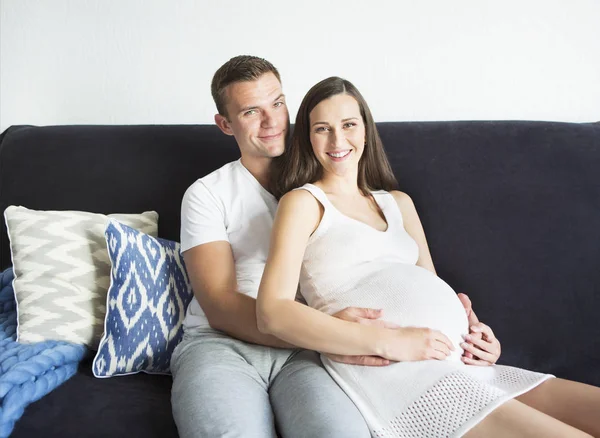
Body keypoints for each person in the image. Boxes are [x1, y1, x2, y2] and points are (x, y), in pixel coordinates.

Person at [256, 76, 600, 438]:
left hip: (463, 363)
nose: (338, 140)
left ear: (366, 131)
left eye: (348, 125)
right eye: (322, 129)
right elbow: (272, 311)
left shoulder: (397, 203)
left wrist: (476, 333)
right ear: (307, 138)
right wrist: (390, 341)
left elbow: (433, 288)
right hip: (403, 372)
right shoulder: (304, 204)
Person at [170, 56, 484, 438]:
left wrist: (459, 322)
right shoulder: (208, 194)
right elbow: (219, 305)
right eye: (252, 111)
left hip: (311, 352)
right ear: (225, 124)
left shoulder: (332, 179)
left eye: (278, 104)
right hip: (224, 346)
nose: (271, 122)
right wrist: (335, 333)